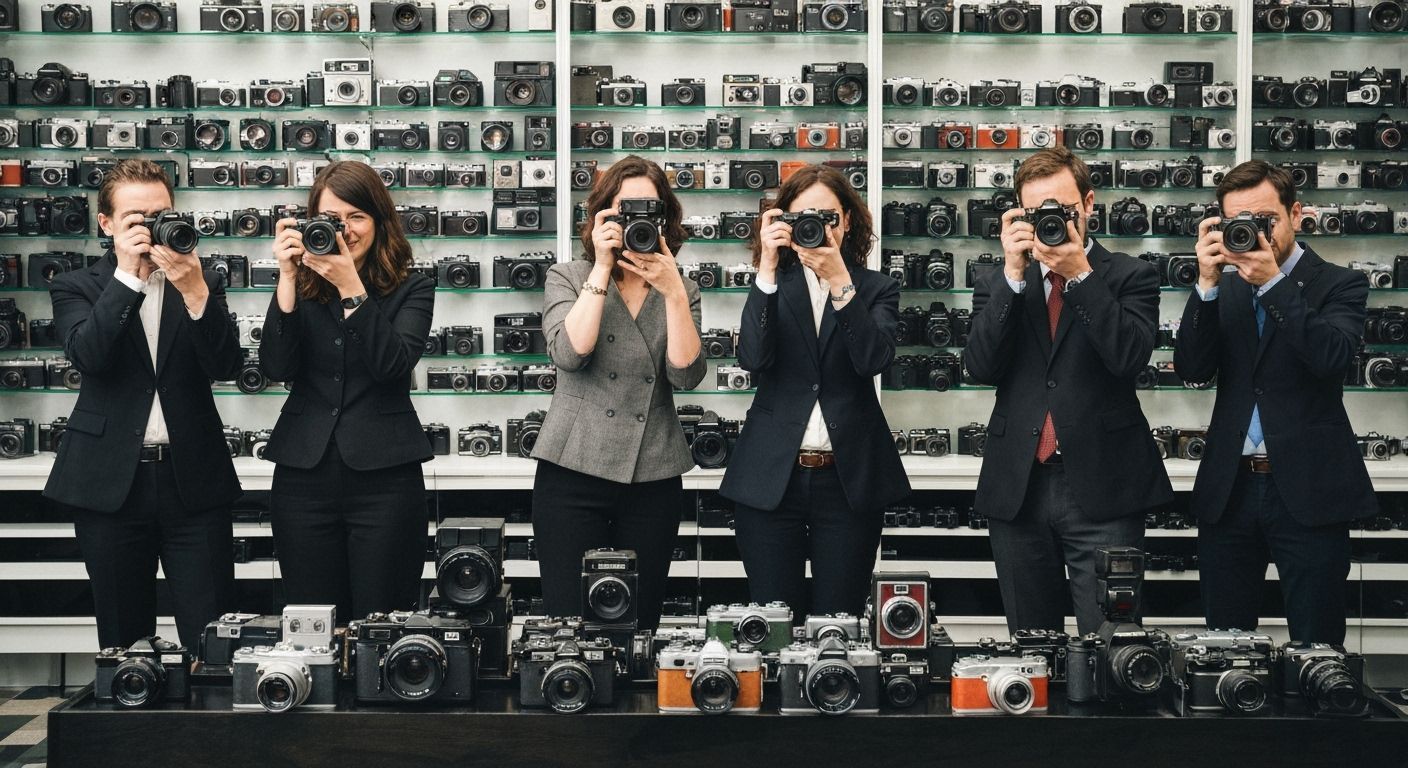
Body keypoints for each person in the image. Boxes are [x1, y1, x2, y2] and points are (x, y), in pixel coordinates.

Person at [965, 146, 1173, 637]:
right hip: (1019, 483)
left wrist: (1079, 272)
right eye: (1037, 212)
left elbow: (1128, 358)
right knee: (1030, 649)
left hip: (1105, 484)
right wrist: (1014, 276)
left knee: (1113, 644)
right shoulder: (996, 281)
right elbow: (979, 367)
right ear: (1018, 213)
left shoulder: (1129, 275)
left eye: (1062, 208)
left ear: (1089, 204)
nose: (1051, 220)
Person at [44, 158, 242, 651]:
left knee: (213, 637)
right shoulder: (77, 286)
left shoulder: (203, 279)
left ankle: (214, 728)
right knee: (121, 638)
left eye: (162, 214)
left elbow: (226, 366)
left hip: (192, 480)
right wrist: (129, 276)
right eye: (137, 218)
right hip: (110, 482)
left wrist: (195, 290)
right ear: (106, 224)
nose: (153, 227)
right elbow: (88, 356)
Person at [1174, 160, 1375, 644]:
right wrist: (1204, 284)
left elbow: (1332, 358)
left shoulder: (1340, 283)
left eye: (1266, 220)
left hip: (1309, 487)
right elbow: (1192, 370)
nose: (1253, 233)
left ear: (1296, 214)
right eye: (1239, 222)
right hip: (1231, 487)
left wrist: (1273, 284)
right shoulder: (1222, 284)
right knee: (1225, 643)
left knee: (1318, 642)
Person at [719, 164, 909, 619]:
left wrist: (841, 282)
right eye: (804, 216)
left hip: (848, 479)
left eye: (828, 217)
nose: (817, 227)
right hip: (771, 478)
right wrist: (765, 265)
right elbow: (752, 359)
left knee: (839, 623)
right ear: (782, 221)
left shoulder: (876, 288)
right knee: (771, 621)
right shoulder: (773, 286)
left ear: (847, 222)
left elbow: (873, 361)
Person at [531, 155, 704, 632]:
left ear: (665, 218)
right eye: (624, 211)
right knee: (568, 619)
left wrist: (670, 292)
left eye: (648, 210)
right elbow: (570, 353)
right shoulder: (569, 276)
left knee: (639, 621)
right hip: (572, 467)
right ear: (602, 215)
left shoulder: (682, 288)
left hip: (652, 471)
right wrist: (603, 267)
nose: (637, 222)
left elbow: (686, 376)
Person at [259, 160, 434, 623]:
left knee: (382, 619)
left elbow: (393, 365)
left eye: (357, 217)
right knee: (312, 620)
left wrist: (350, 287)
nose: (346, 231)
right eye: (333, 219)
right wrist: (287, 277)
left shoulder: (412, 288)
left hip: (386, 478)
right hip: (303, 478)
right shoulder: (298, 284)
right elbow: (276, 367)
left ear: (380, 222)